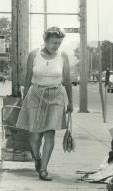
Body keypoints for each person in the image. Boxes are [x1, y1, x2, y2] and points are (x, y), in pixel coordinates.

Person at [16, 26, 73, 181]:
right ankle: (37, 157)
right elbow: (28, 77)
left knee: (49, 132)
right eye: (54, 43)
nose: (56, 46)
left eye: (59, 43)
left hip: (56, 95)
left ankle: (43, 169)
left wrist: (70, 102)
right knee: (34, 135)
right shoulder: (34, 54)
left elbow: (67, 81)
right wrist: (24, 98)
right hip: (35, 94)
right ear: (45, 41)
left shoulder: (63, 56)